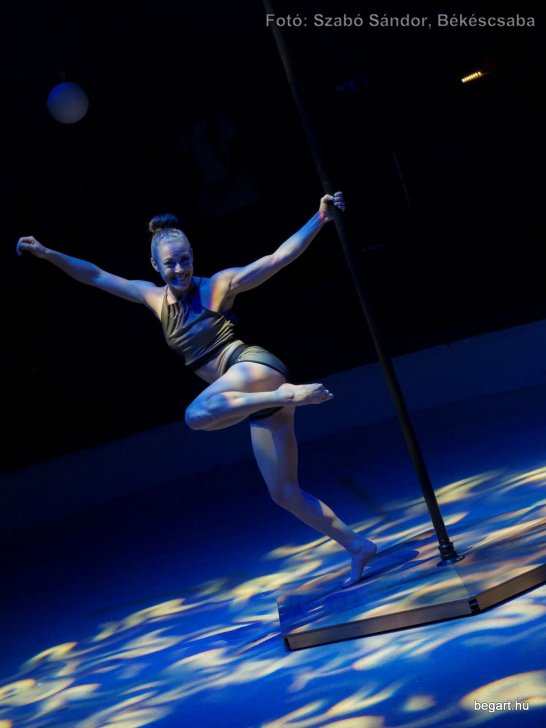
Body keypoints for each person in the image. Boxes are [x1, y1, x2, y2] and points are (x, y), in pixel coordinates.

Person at [16, 192, 376, 586]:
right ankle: (357, 545)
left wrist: (320, 218)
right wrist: (47, 253)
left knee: (195, 415)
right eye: (170, 263)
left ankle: (288, 395)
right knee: (284, 493)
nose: (180, 269)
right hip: (250, 398)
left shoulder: (219, 286)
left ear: (193, 256)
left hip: (252, 367)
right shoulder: (153, 299)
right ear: (155, 266)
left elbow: (277, 258)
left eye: (185, 260)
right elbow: (96, 275)